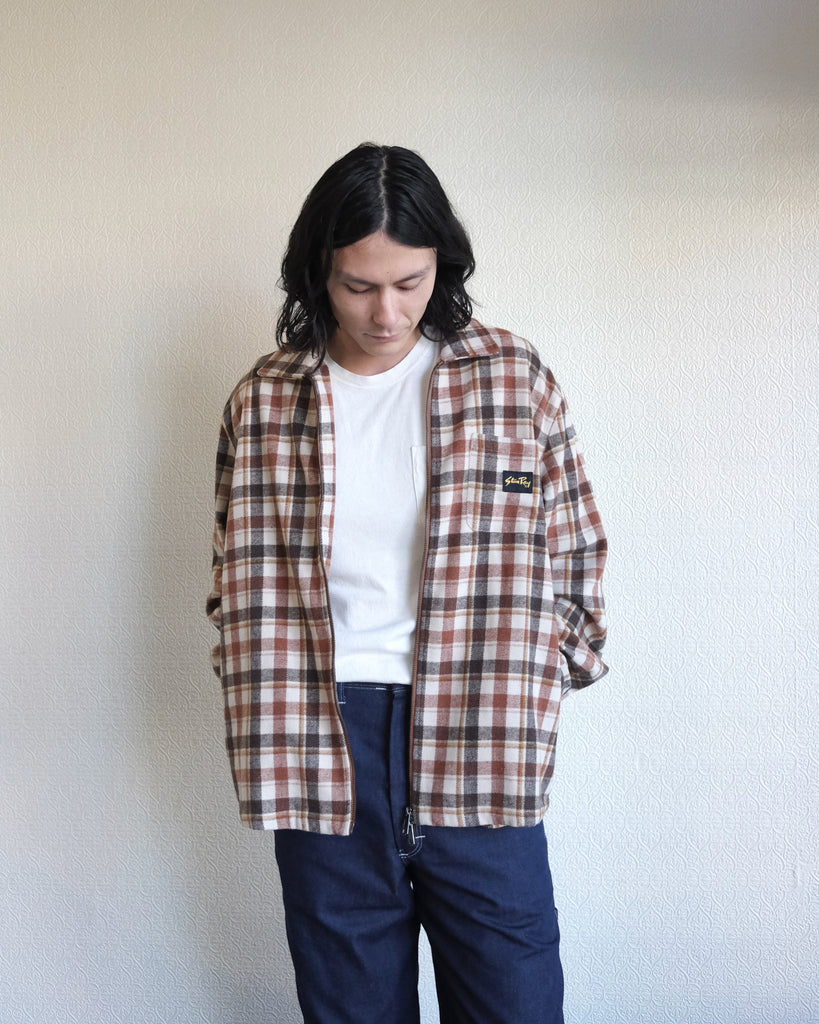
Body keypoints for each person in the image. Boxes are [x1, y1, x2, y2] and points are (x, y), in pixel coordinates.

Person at [206, 143, 608, 1024]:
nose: (385, 312)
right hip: (320, 736)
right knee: (351, 1009)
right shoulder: (265, 401)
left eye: (408, 282)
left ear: (441, 267)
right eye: (357, 286)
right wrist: (248, 676)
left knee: (513, 1002)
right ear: (318, 273)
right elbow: (229, 574)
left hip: (481, 725)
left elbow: (577, 550)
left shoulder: (510, 378)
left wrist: (535, 682)